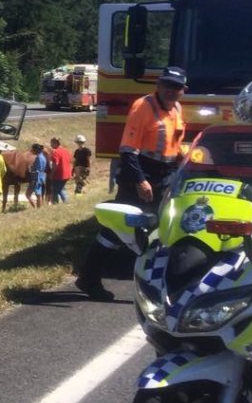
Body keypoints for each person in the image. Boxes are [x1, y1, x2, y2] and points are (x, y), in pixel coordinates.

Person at [76, 66, 188, 300]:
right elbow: (128, 151)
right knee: (118, 228)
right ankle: (88, 277)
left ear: (183, 91)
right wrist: (141, 181)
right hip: (139, 173)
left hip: (165, 174)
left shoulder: (176, 108)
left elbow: (174, 144)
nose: (171, 90)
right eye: (167, 85)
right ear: (158, 85)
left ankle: (155, 284)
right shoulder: (143, 107)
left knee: (160, 227)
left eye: (176, 87)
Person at [48, 137, 72, 204]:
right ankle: (56, 203)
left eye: (52, 143)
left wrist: (51, 174)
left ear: (56, 143)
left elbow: (55, 164)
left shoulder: (56, 152)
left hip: (59, 175)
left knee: (57, 189)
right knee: (59, 189)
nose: (51, 145)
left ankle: (65, 203)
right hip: (67, 174)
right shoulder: (66, 150)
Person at [25, 143, 47, 209]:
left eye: (33, 149)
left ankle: (35, 207)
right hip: (41, 178)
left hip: (36, 178)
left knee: (28, 194)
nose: (32, 150)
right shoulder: (43, 157)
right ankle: (38, 208)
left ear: (36, 150)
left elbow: (38, 170)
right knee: (38, 194)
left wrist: (30, 170)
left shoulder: (39, 158)